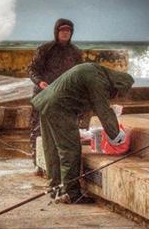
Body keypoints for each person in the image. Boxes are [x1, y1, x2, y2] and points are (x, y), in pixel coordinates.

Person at [31, 62, 134, 204]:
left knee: (53, 148)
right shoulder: (99, 80)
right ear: (116, 84)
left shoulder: (95, 71)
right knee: (70, 150)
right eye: (117, 93)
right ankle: (70, 193)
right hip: (59, 108)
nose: (115, 97)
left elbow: (82, 98)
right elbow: (102, 110)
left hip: (47, 103)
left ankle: (56, 188)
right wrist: (117, 137)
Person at [27, 19, 83, 175]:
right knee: (38, 130)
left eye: (68, 30)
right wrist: (40, 82)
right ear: (56, 32)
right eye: (62, 30)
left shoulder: (75, 52)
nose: (65, 33)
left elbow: (79, 75)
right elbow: (32, 69)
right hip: (43, 95)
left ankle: (57, 167)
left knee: (62, 132)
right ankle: (38, 163)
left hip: (63, 98)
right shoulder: (46, 49)